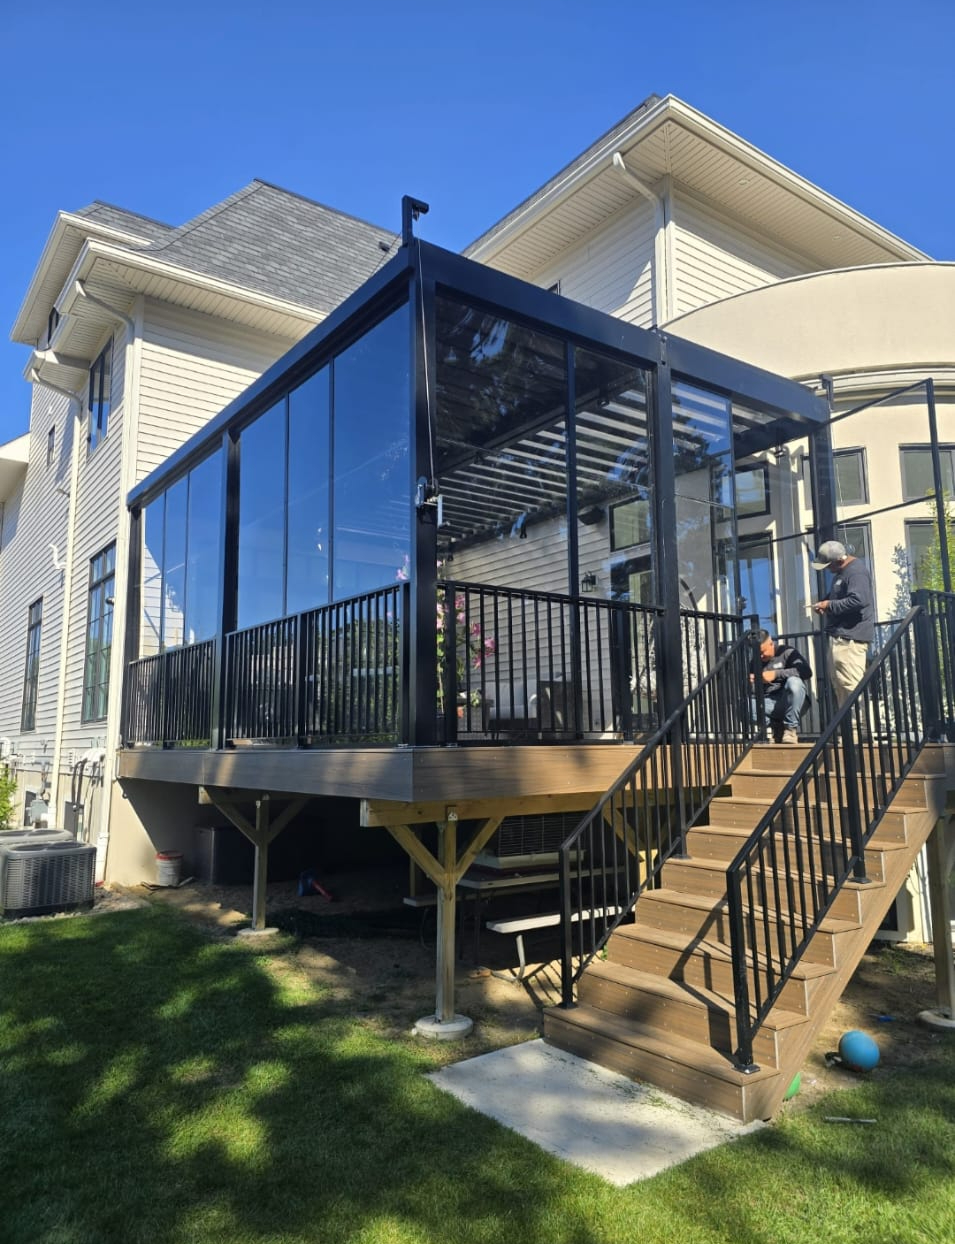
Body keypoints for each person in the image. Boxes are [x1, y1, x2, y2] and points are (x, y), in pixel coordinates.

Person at [810, 539, 874, 707]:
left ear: (839, 560)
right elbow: (839, 596)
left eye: (828, 566)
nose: (828, 570)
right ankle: (849, 722)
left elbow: (859, 600)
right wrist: (825, 603)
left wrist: (829, 605)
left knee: (851, 686)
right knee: (840, 687)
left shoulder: (856, 572)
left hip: (850, 639)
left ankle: (861, 723)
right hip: (840, 637)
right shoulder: (842, 573)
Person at [751, 629, 812, 744]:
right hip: (769, 702)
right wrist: (753, 684)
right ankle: (778, 727)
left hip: (791, 701)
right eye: (758, 653)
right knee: (744, 706)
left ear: (771, 643)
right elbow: (754, 692)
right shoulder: (755, 662)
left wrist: (775, 674)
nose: (761, 656)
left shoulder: (787, 652)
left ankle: (790, 730)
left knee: (794, 682)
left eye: (763, 652)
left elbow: (806, 671)